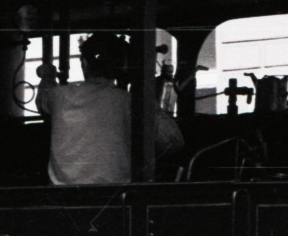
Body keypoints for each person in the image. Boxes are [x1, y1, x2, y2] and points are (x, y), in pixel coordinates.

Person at [37, 32, 183, 185]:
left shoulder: (59, 96)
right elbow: (173, 142)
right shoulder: (130, 101)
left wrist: (48, 76)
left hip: (64, 199)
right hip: (116, 199)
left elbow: (43, 98)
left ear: (83, 63)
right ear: (121, 65)